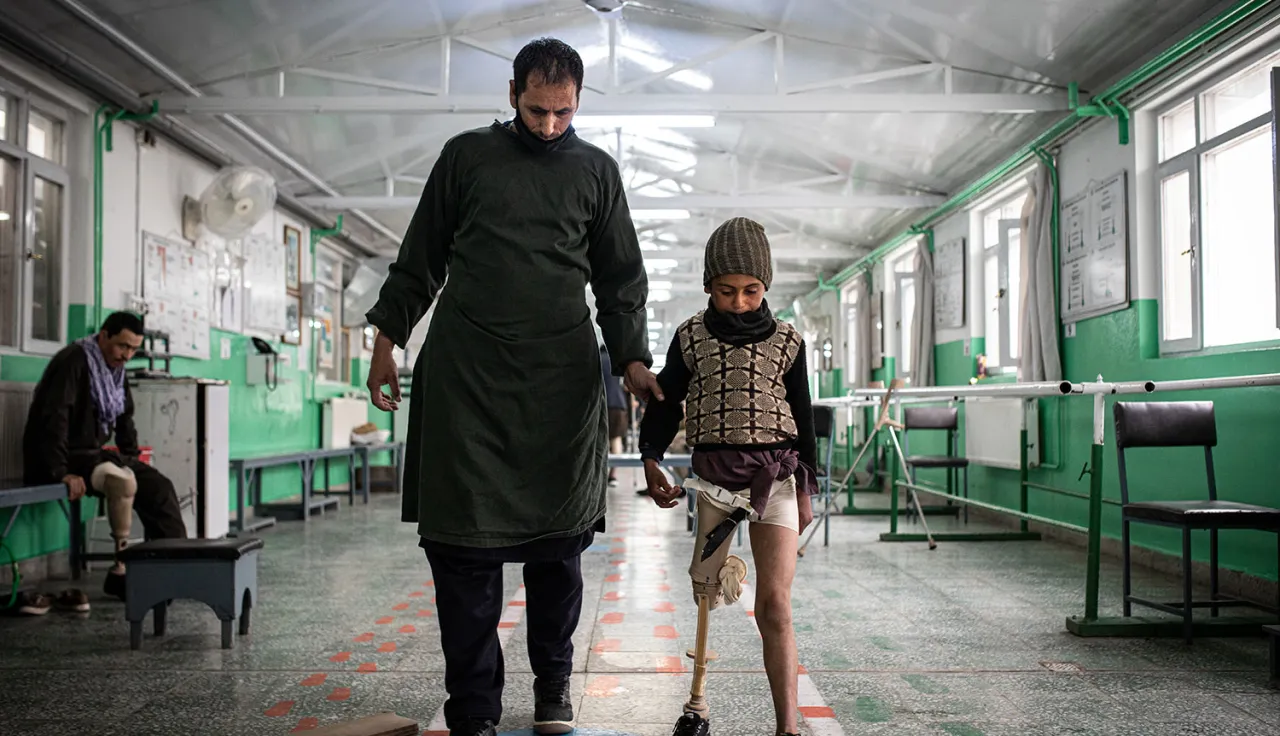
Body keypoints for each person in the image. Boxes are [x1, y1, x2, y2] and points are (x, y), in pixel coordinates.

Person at [363, 38, 661, 736]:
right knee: (463, 556)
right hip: (467, 382)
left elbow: (621, 281)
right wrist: (385, 342)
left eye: (562, 112)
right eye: (536, 110)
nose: (549, 125)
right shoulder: (467, 157)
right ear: (511, 95)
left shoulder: (597, 171)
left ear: (579, 101)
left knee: (558, 552)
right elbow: (420, 258)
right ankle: (474, 708)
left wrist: (634, 362)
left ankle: (553, 689)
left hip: (560, 386)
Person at [638, 217, 817, 736]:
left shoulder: (788, 341)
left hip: (777, 478)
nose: (739, 302)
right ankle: (697, 706)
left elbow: (803, 418)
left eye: (751, 291)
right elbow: (667, 402)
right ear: (708, 286)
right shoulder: (690, 336)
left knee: (776, 604)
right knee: (706, 594)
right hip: (715, 481)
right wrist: (651, 458)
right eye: (726, 291)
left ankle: (787, 727)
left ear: (766, 287)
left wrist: (807, 487)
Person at [22, 311, 187, 601]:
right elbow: (53, 418)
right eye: (123, 345)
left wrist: (133, 458)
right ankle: (120, 573)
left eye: (134, 349)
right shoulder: (73, 361)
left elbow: (125, 417)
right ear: (103, 335)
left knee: (159, 487)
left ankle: (170, 574)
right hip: (60, 457)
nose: (127, 355)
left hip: (91, 455)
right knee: (122, 482)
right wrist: (60, 472)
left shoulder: (114, 369)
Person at [600, 343, 628, 487]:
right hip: (619, 405)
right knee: (615, 439)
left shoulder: (597, 360)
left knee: (600, 441)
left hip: (601, 404)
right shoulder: (616, 362)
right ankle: (613, 476)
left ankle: (600, 474)